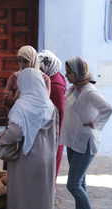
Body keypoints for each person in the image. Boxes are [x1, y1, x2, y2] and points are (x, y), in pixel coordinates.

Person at [0, 68, 58, 209]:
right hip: (46, 160)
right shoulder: (49, 104)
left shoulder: (22, 106)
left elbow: (14, 134)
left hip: (26, 162)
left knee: (23, 204)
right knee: (41, 203)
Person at [60, 57, 112, 209]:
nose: (66, 75)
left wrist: (95, 123)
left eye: (69, 72)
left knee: (73, 184)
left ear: (79, 73)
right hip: (74, 140)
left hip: (85, 142)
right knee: (80, 180)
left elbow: (108, 109)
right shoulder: (74, 89)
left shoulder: (89, 91)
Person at [3, 45, 51, 124]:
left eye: (25, 61)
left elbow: (43, 104)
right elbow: (6, 100)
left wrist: (16, 98)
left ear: (33, 60)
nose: (21, 64)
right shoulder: (14, 77)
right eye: (19, 60)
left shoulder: (44, 79)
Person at [38, 50, 67, 180]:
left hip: (53, 131)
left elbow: (60, 112)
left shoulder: (55, 85)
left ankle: (48, 191)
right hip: (49, 128)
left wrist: (56, 135)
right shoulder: (53, 75)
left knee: (50, 163)